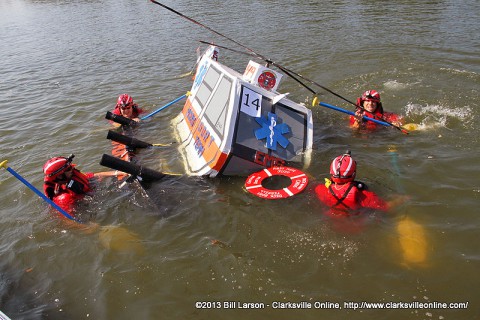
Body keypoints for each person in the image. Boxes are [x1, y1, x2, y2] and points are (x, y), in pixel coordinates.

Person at [314, 151, 407, 216]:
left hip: (332, 223)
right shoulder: (363, 196)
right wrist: (403, 199)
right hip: (355, 227)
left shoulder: (322, 190)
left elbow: (312, 185)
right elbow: (386, 207)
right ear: (353, 174)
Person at [43, 154, 119, 215]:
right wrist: (90, 227)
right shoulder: (64, 198)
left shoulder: (72, 176)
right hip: (83, 207)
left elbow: (94, 176)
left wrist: (117, 173)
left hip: (90, 192)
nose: (72, 169)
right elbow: (70, 221)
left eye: (71, 166)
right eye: (69, 169)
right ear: (60, 176)